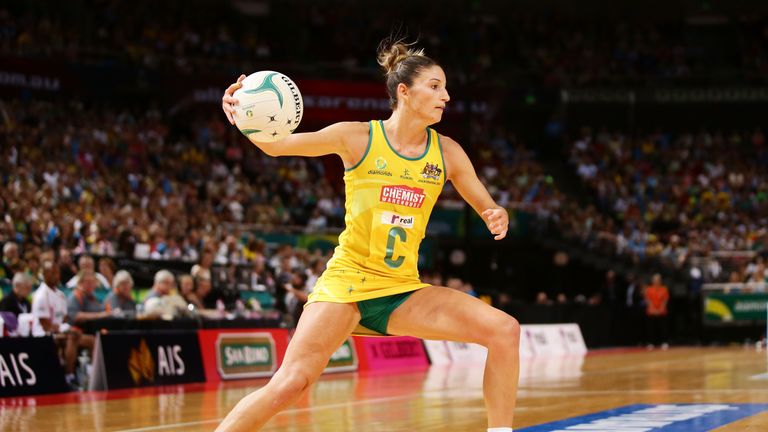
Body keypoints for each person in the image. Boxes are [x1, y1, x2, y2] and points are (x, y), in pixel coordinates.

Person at [217, 38, 519, 432]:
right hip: (347, 286)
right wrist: (241, 115)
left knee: (505, 330)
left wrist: (495, 214)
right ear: (404, 92)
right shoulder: (356, 136)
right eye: (435, 86)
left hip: (401, 290)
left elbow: (485, 204)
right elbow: (279, 147)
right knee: (291, 383)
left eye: (445, 87)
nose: (446, 95)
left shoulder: (447, 152)